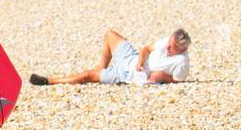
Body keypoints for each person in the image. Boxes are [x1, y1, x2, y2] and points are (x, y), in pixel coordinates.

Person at [29, 28, 191, 86]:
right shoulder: (166, 41)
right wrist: (141, 59)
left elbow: (178, 81)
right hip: (132, 58)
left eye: (171, 48)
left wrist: (163, 76)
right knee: (110, 34)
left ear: (180, 49)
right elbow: (147, 48)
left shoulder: (182, 62)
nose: (167, 48)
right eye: (168, 44)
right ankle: (102, 66)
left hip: (129, 74)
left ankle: (49, 81)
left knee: (87, 76)